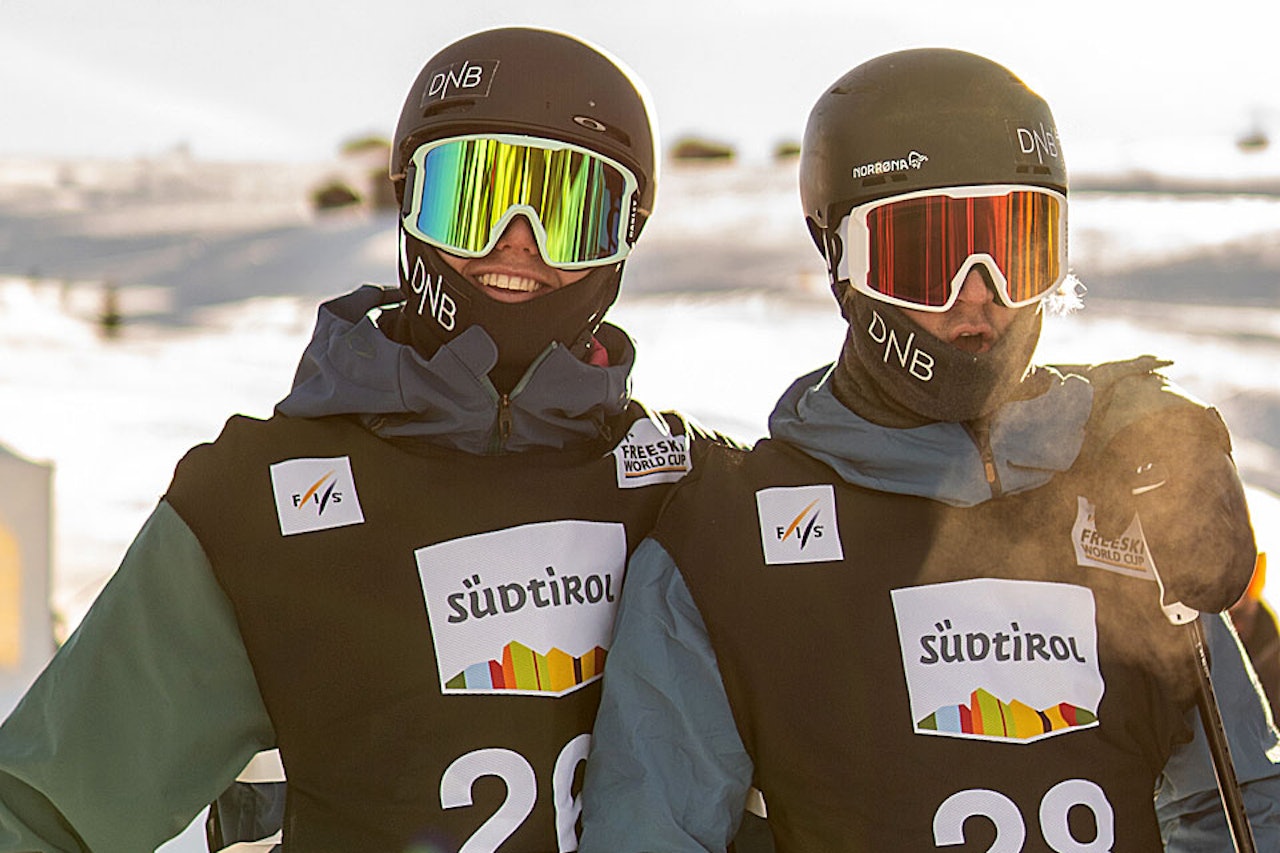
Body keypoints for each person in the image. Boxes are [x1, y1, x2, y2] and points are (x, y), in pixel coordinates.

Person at [0, 26, 727, 852]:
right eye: (476, 197)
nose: (517, 242)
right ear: (408, 204)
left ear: (626, 235)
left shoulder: (687, 495)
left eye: (571, 211)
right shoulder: (256, 506)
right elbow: (48, 811)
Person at [578, 48, 1280, 851]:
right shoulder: (728, 544)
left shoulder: (1131, 494)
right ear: (839, 258)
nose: (977, 295)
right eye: (924, 256)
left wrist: (1133, 415)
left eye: (1016, 249)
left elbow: (1237, 807)